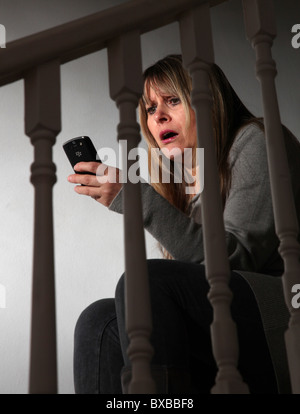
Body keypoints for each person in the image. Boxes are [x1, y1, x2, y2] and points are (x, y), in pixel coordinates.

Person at [67, 54, 300, 394]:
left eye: (172, 101)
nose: (158, 116)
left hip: (280, 319)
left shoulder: (259, 140)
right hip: (226, 328)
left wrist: (136, 200)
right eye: (149, 108)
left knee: (145, 280)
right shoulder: (183, 180)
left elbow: (233, 263)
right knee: (99, 321)